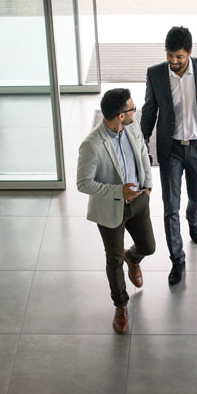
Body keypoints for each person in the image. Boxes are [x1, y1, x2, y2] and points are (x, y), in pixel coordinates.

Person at [141, 26, 197, 285]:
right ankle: (177, 260)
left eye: (178, 56)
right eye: (169, 55)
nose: (173, 61)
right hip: (171, 150)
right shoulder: (155, 74)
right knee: (170, 207)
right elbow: (149, 111)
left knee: (196, 199)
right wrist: (142, 143)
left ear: (189, 52)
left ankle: (194, 219)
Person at [77, 88, 156, 334]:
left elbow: (143, 153)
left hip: (139, 201)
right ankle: (121, 305)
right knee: (113, 260)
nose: (135, 111)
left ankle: (132, 258)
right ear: (121, 115)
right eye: (131, 108)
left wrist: (148, 185)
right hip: (111, 209)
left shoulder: (132, 126)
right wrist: (117, 191)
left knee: (148, 247)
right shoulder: (91, 145)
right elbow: (83, 183)